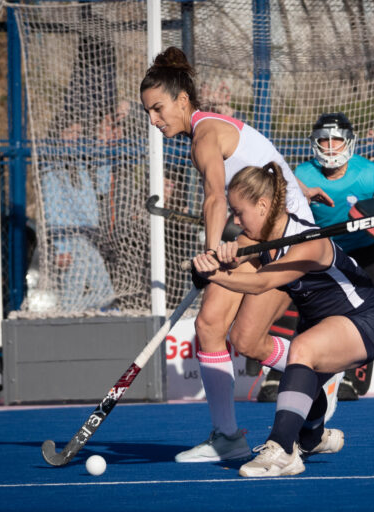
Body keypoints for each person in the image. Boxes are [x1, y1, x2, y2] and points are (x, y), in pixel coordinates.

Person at [140, 46, 338, 463]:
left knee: (230, 332)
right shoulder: (210, 131)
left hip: (290, 241)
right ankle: (229, 435)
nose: (155, 121)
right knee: (228, 333)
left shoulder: (205, 135)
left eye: (159, 110)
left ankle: (312, 379)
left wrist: (210, 255)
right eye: (149, 114)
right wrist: (300, 191)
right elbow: (268, 167)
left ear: (182, 100)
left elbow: (215, 196)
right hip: (258, 237)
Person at [192, 161, 374, 477]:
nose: (235, 220)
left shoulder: (309, 242)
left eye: (239, 212)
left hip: (366, 319)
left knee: (302, 350)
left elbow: (261, 283)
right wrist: (221, 260)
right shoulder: (258, 238)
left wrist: (216, 275)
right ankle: (312, 435)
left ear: (262, 205)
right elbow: (238, 260)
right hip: (323, 324)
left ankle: (282, 449)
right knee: (295, 363)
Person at [288, 112, 374, 401]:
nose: (329, 147)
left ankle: (353, 375)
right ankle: (291, 370)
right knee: (310, 307)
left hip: (364, 249)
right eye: (323, 141)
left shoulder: (370, 173)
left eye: (336, 140)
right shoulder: (302, 175)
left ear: (348, 143)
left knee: (364, 309)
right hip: (323, 251)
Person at [41, 117, 115, 311]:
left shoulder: (81, 166)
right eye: (69, 133)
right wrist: (61, 246)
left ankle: (70, 315)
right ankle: (64, 319)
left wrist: (102, 151)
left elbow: (102, 186)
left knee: (103, 293)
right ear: (58, 136)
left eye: (78, 134)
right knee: (73, 295)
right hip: (71, 240)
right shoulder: (52, 170)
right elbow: (52, 208)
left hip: (89, 237)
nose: (74, 138)